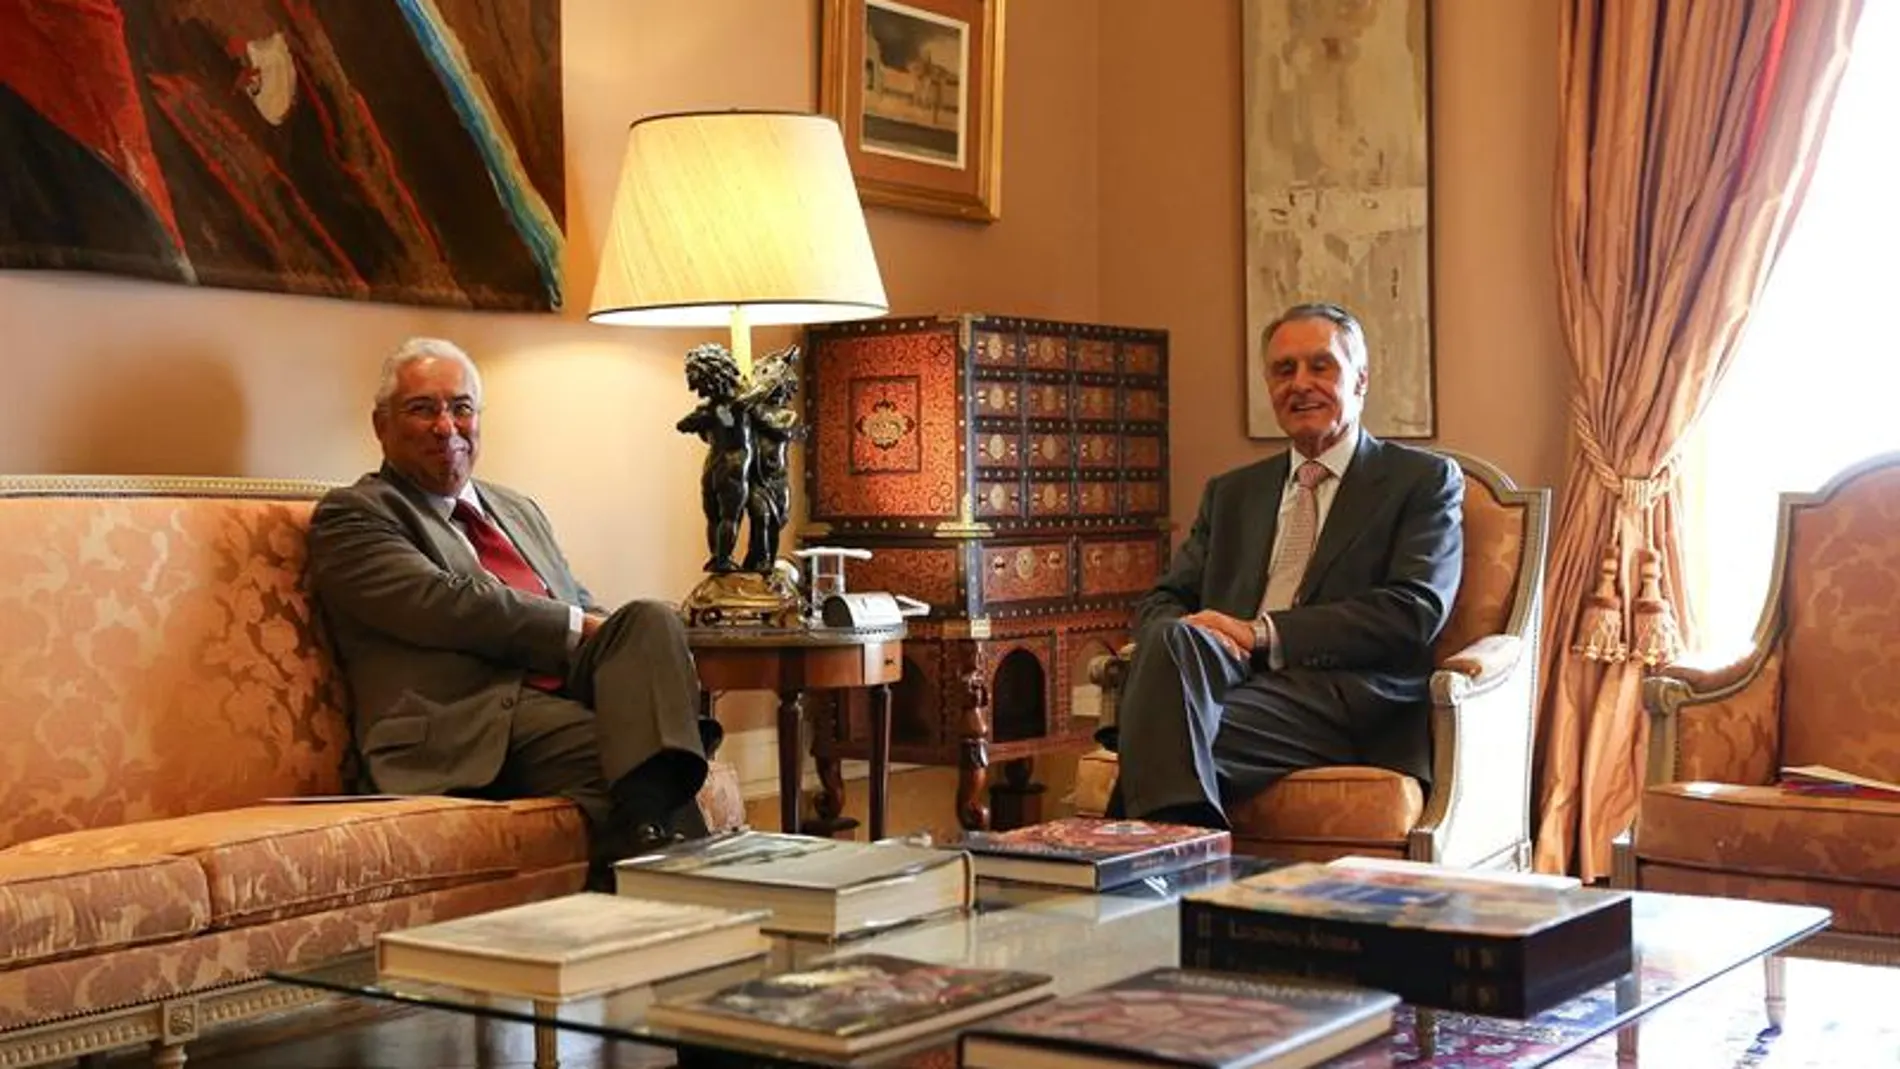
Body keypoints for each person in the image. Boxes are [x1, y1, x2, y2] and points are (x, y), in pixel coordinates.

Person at [307, 337, 712, 889]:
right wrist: (580, 628)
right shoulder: (355, 515)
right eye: (422, 409)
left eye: (461, 407)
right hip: (463, 721)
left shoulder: (517, 509)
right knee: (636, 763)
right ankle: (672, 916)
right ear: (381, 425)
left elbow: (576, 598)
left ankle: (646, 870)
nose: (446, 427)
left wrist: (603, 630)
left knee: (650, 618)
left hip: (558, 695)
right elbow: (449, 604)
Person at [1102, 303, 1463, 829]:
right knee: (1170, 639)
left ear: (1360, 381)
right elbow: (1164, 598)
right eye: (1283, 370)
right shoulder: (1232, 493)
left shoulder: (1420, 481)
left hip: (1347, 698)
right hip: (1227, 679)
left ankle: (1151, 869)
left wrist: (1259, 634)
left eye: (1321, 366)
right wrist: (1197, 636)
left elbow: (1414, 611)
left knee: (1161, 733)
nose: (1300, 384)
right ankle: (1178, 865)